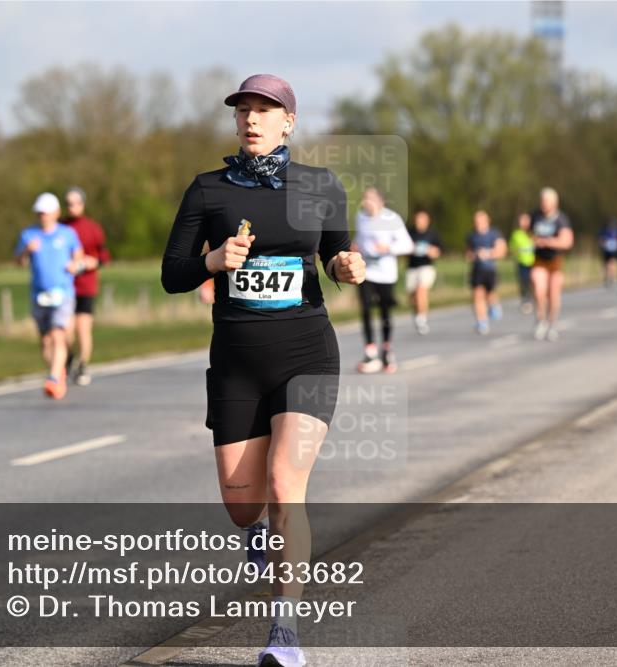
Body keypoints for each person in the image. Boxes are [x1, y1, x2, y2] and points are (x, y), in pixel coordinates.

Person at [160, 74, 365, 667]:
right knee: (242, 502)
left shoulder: (319, 185)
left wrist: (346, 265)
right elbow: (173, 274)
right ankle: (256, 536)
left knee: (284, 486)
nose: (251, 119)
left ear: (288, 122)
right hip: (236, 361)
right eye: (243, 110)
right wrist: (213, 260)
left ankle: (285, 633)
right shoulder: (208, 190)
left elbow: (334, 254)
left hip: (306, 352)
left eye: (264, 110)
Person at [15, 193, 84, 399]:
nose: (42, 216)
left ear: (56, 213)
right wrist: (27, 251)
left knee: (58, 334)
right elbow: (19, 262)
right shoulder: (29, 235)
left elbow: (78, 258)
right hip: (39, 294)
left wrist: (75, 266)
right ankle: (58, 372)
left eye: (45, 212)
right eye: (39, 213)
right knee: (45, 341)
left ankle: (53, 378)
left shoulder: (67, 234)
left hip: (63, 292)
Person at [353, 187, 413, 372]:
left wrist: (388, 248)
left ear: (380, 201)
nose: (365, 202)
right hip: (367, 271)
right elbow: (360, 238)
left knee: (385, 312)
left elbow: (407, 245)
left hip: (386, 274)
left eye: (369, 198)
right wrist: (354, 246)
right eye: (364, 198)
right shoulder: (360, 218)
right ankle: (370, 350)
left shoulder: (391, 219)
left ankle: (386, 349)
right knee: (365, 308)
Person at [61, 186, 110, 386]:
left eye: (74, 203)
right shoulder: (61, 227)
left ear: (82, 204)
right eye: (68, 204)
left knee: (83, 329)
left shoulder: (92, 228)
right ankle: (68, 358)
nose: (71, 207)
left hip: (86, 285)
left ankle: (82, 365)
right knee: (65, 330)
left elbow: (104, 256)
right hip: (65, 285)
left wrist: (93, 262)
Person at [529, 187, 574, 341]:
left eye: (547, 201)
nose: (544, 204)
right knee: (538, 288)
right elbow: (527, 235)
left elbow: (567, 241)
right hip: (539, 260)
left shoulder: (561, 219)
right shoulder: (535, 216)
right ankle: (540, 319)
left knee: (553, 293)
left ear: (555, 202)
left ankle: (552, 323)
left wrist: (548, 242)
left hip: (555, 260)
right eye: (542, 200)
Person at [466, 210, 507, 334]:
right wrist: (475, 255)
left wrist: (488, 254)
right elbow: (468, 254)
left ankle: (494, 305)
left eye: (481, 221)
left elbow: (502, 251)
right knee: (477, 295)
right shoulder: (472, 236)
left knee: (490, 295)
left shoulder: (494, 234)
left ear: (487, 221)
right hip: (477, 270)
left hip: (490, 270)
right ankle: (481, 322)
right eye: (476, 222)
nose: (478, 224)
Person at [405, 210, 443, 334]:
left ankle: (422, 319)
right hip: (412, 267)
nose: (419, 222)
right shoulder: (409, 233)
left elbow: (439, 251)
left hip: (426, 267)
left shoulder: (432, 234)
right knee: (413, 297)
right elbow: (402, 249)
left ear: (427, 221)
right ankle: (418, 315)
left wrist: (431, 251)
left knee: (421, 290)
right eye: (417, 220)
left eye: (422, 220)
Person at [508, 212, 535, 313]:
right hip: (521, 262)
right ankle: (526, 300)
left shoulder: (533, 233)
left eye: (525, 220)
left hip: (534, 262)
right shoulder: (516, 234)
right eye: (521, 221)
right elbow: (511, 247)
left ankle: (534, 299)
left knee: (534, 282)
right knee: (524, 282)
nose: (523, 223)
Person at [597, 216, 617, 287]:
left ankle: (614, 278)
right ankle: (608, 277)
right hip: (606, 249)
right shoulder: (604, 230)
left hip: (614, 249)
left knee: (613, 262)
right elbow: (600, 239)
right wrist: (602, 244)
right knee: (607, 263)